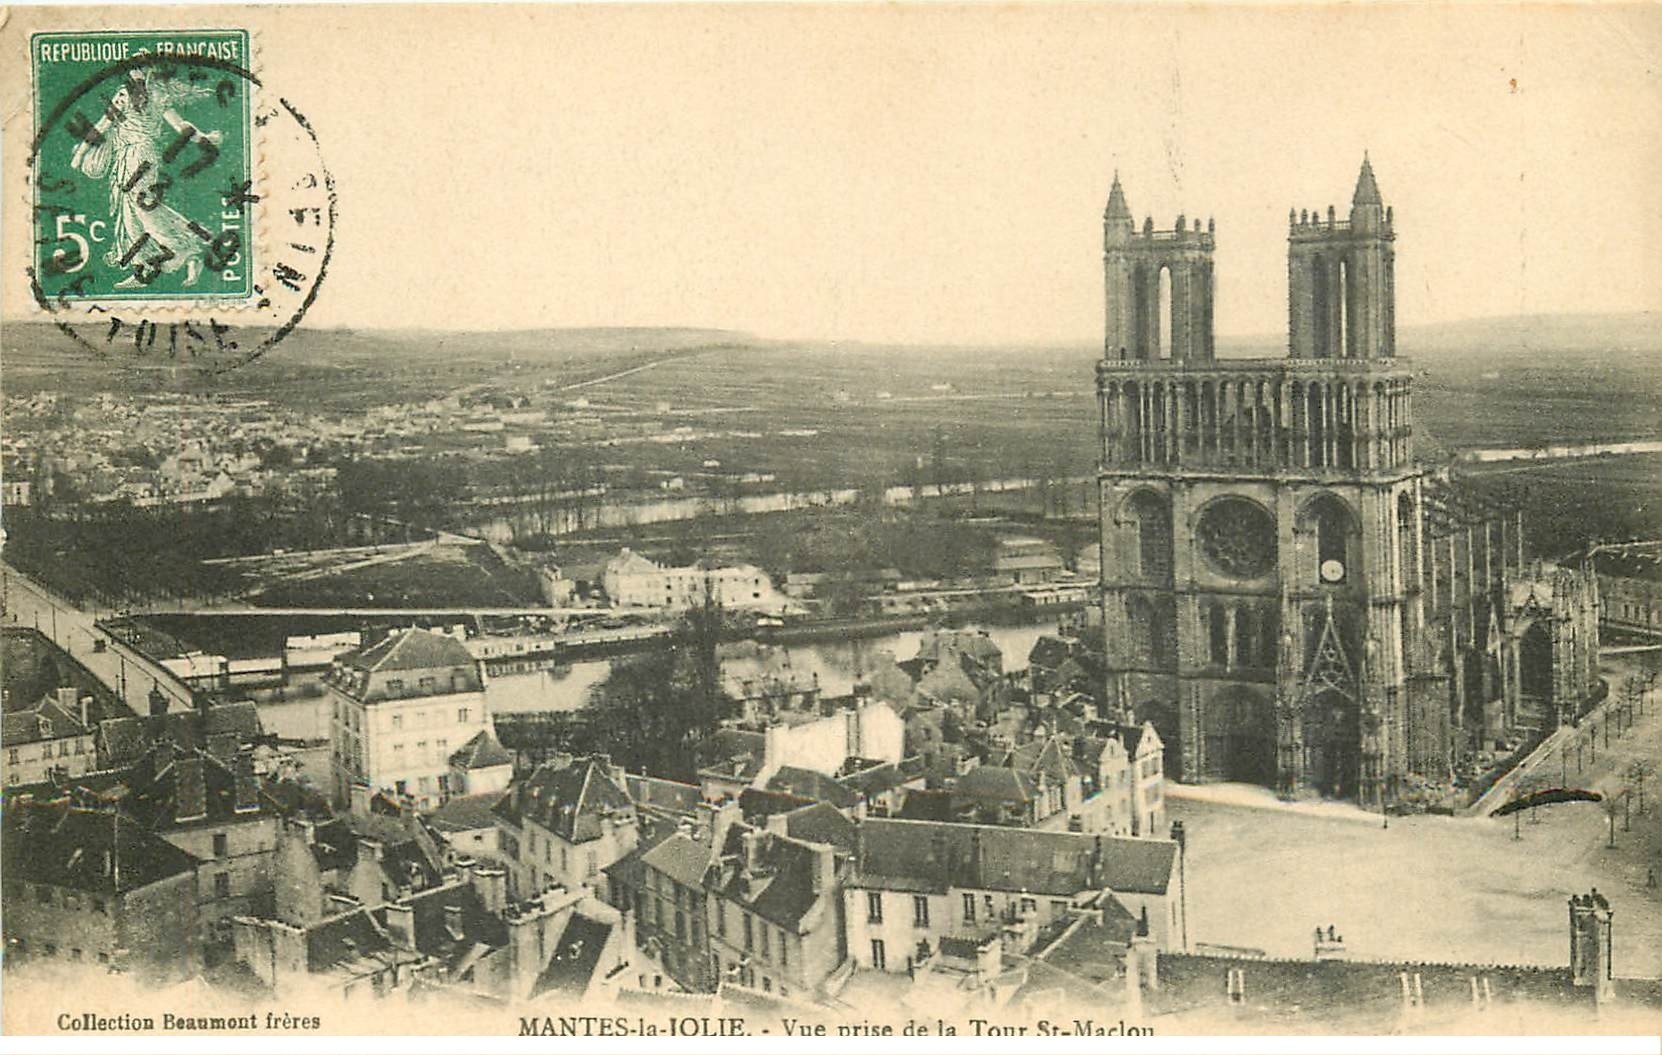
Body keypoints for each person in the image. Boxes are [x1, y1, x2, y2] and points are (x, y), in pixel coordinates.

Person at [69, 68, 222, 288]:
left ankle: (185, 251)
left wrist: (81, 153)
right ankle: (146, 268)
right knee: (133, 211)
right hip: (140, 155)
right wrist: (204, 139)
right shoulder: (158, 94)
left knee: (142, 209)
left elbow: (102, 125)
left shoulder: (128, 93)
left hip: (136, 156)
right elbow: (182, 126)